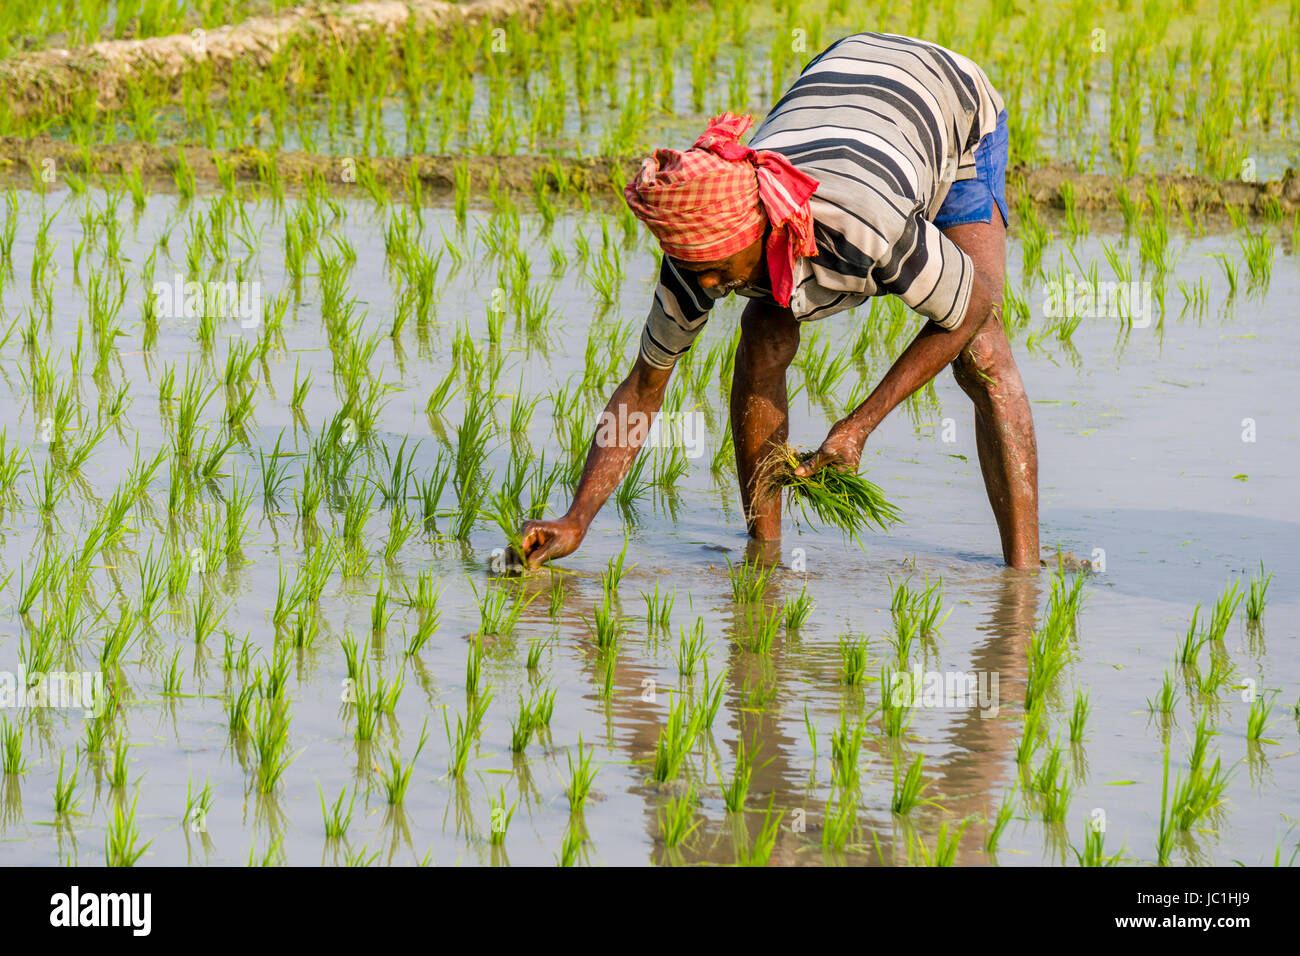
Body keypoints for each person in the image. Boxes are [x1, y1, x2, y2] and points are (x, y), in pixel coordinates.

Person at [518, 31, 1039, 571]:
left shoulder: (861, 222)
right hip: (841, 83)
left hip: (946, 102)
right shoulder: (696, 259)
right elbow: (644, 388)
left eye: (722, 269)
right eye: (704, 273)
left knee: (982, 350)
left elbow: (973, 301)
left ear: (760, 226)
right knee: (762, 331)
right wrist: (576, 518)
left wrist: (857, 427)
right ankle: (763, 557)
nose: (715, 286)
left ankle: (1023, 579)